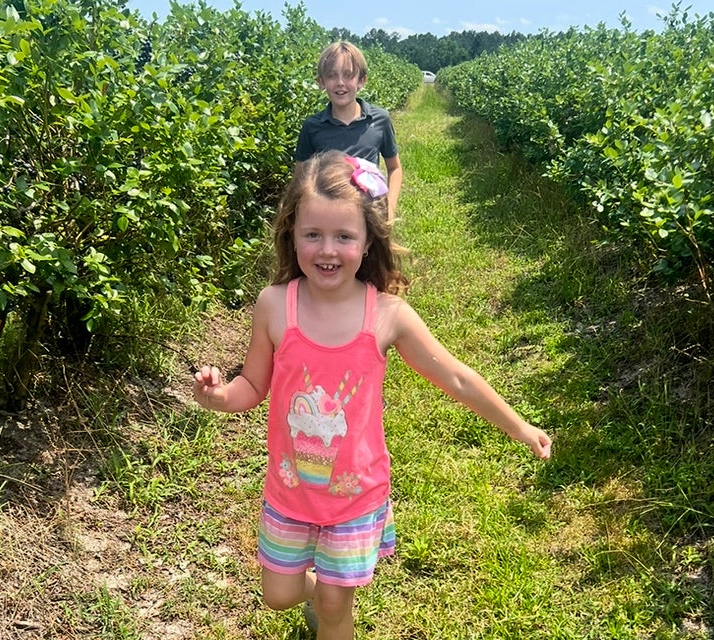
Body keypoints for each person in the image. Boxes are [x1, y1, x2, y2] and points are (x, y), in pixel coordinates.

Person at [192, 151, 552, 639]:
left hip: (353, 494)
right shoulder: (276, 305)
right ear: (292, 234)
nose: (327, 249)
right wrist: (218, 396)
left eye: (344, 236)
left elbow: (457, 378)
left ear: (367, 242)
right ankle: (318, 591)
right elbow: (253, 386)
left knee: (338, 607)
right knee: (277, 595)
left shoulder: (387, 315)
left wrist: (520, 426)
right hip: (291, 490)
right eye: (312, 234)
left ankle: (332, 605)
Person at [295, 41, 403, 223]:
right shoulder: (312, 127)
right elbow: (300, 178)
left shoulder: (379, 120)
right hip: (328, 218)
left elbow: (395, 168)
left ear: (362, 80)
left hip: (370, 216)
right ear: (321, 82)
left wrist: (389, 210)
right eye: (331, 76)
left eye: (348, 75)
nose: (340, 83)